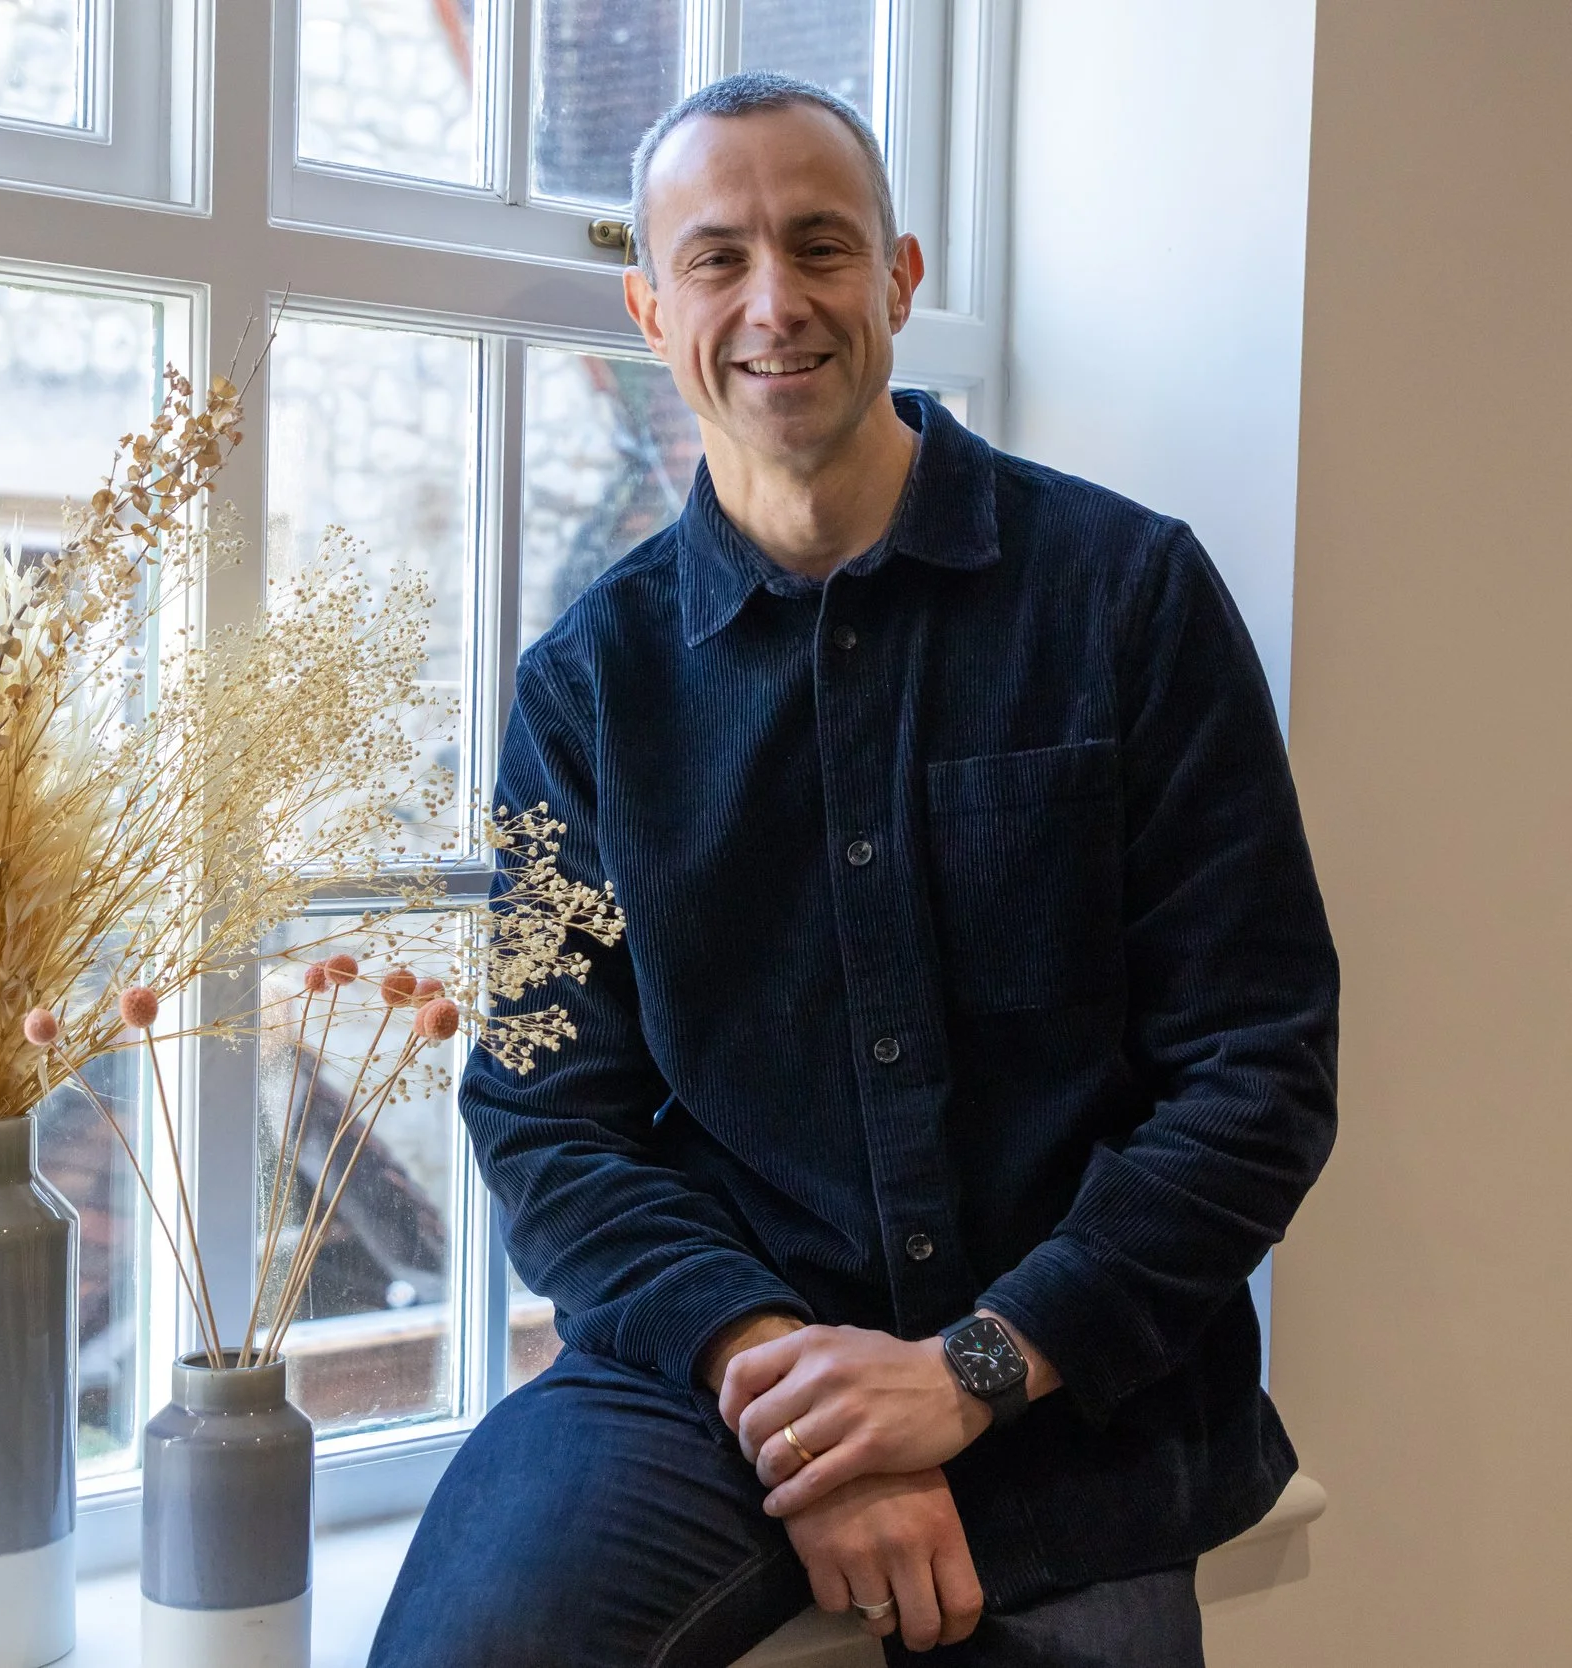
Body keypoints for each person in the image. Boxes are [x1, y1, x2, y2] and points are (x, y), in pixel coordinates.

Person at [369, 72, 1339, 1668]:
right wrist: (789, 1394)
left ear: (899, 276)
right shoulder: (588, 684)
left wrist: (966, 1371)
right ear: (647, 303)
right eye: (717, 257)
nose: (774, 303)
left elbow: (1259, 1070)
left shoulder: (1130, 600)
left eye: (821, 248)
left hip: (1074, 1380)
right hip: (708, 1370)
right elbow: (547, 1113)